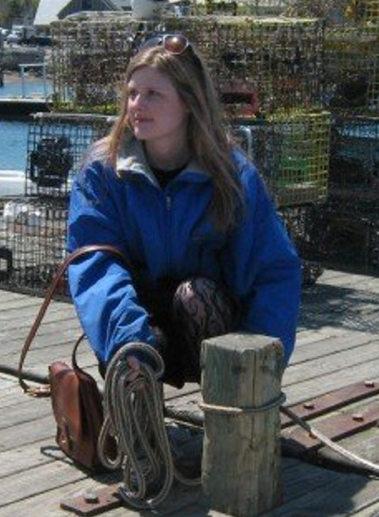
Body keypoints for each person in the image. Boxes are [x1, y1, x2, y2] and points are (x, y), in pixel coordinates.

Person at [67, 33, 301, 387]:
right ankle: (139, 425)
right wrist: (127, 338)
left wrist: (260, 361)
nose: (137, 105)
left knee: (197, 295)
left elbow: (272, 271)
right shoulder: (102, 171)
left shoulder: (233, 175)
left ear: (188, 102)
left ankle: (228, 413)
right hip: (138, 320)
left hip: (210, 323)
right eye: (132, 93)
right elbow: (95, 267)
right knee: (128, 353)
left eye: (153, 94)